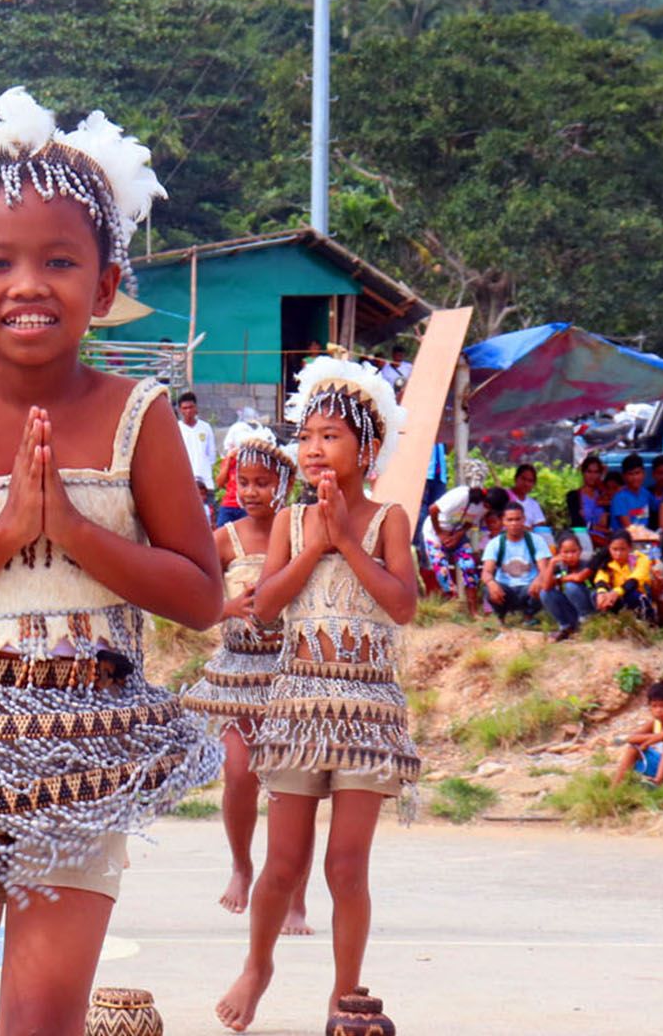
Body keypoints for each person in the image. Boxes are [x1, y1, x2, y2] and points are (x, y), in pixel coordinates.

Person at [0, 87, 223, 1035]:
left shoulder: (139, 417)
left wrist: (74, 531)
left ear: (106, 286)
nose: (30, 284)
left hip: (88, 759)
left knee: (41, 1017)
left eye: (61, 261)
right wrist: (3, 536)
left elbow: (199, 595)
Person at [216, 357, 419, 1034]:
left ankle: (345, 993)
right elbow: (266, 607)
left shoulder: (389, 518)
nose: (311, 449)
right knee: (282, 862)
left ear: (366, 449)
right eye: (305, 437)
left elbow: (401, 606)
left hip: (366, 712)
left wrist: (347, 543)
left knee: (345, 863)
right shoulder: (290, 523)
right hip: (299, 705)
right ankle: (258, 964)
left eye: (328, 437)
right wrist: (314, 546)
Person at [179, 436, 312, 937]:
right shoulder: (225, 539)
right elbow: (190, 599)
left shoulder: (301, 534)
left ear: (285, 485)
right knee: (239, 773)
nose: (252, 492)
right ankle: (241, 864)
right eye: (244, 482)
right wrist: (225, 609)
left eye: (263, 482)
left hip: (291, 673)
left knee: (292, 786)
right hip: (237, 672)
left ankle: (296, 897)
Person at [422, 470, 501, 616]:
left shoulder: (484, 508)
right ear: (488, 502)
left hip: (457, 533)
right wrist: (440, 533)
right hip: (434, 532)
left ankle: (473, 612)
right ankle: (453, 609)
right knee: (442, 571)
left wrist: (458, 536)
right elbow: (433, 509)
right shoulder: (461, 495)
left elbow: (470, 522)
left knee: (469, 566)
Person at [481, 505, 552, 626]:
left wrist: (539, 579)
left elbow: (544, 569)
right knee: (488, 589)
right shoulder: (495, 543)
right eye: (510, 520)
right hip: (505, 589)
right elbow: (486, 572)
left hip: (528, 588)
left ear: (524, 519)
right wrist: (491, 583)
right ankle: (500, 619)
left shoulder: (536, 541)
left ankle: (529, 617)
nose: (514, 523)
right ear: (503, 521)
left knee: (543, 585)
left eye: (517, 519)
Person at [540, 534, 595, 641]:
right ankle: (566, 626)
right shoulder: (560, 566)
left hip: (589, 607)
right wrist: (551, 564)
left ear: (580, 550)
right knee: (545, 594)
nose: (570, 556)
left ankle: (587, 622)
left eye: (573, 551)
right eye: (565, 552)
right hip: (572, 610)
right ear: (559, 552)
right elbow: (545, 587)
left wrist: (561, 579)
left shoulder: (588, 563)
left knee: (571, 587)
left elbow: (579, 578)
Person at [593, 530, 655, 622]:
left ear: (630, 548)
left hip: (639, 600)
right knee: (596, 595)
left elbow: (634, 580)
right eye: (615, 549)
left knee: (631, 594)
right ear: (609, 548)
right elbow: (601, 579)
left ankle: (646, 623)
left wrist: (616, 593)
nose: (618, 554)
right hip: (616, 599)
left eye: (622, 549)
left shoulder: (641, 560)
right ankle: (610, 622)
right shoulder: (607, 563)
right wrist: (602, 593)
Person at [565, 454, 614, 552]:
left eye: (596, 472)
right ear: (583, 473)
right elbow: (577, 523)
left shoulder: (604, 495)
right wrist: (595, 528)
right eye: (589, 472)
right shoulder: (574, 496)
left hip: (605, 542)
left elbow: (608, 523)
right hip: (583, 541)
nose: (592, 476)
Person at [177, 390, 218, 500]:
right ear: (180, 410)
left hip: (205, 483)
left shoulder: (205, 428)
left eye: (191, 407)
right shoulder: (176, 429)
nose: (188, 411)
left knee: (209, 514)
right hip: (185, 482)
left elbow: (211, 455)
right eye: (185, 408)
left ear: (196, 408)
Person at [609, 454, 659, 531]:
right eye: (630, 474)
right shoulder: (620, 498)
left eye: (637, 473)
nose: (635, 478)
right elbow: (629, 528)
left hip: (644, 538)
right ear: (624, 476)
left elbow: (659, 507)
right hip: (625, 539)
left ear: (643, 474)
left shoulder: (645, 493)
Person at [505, 464, 548, 533]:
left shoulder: (533, 504)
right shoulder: (504, 497)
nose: (526, 484)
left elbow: (540, 528)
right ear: (516, 478)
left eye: (530, 481)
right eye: (523, 479)